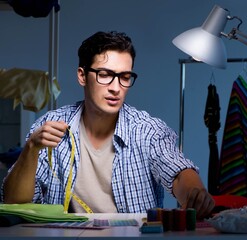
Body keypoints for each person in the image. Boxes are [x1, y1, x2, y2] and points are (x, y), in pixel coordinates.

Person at [1, 31, 214, 219]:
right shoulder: (49, 126)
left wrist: (196, 194)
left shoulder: (147, 130)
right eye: (105, 75)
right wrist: (30, 149)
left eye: (124, 77)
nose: (116, 87)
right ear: (82, 76)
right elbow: (14, 202)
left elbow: (177, 172)